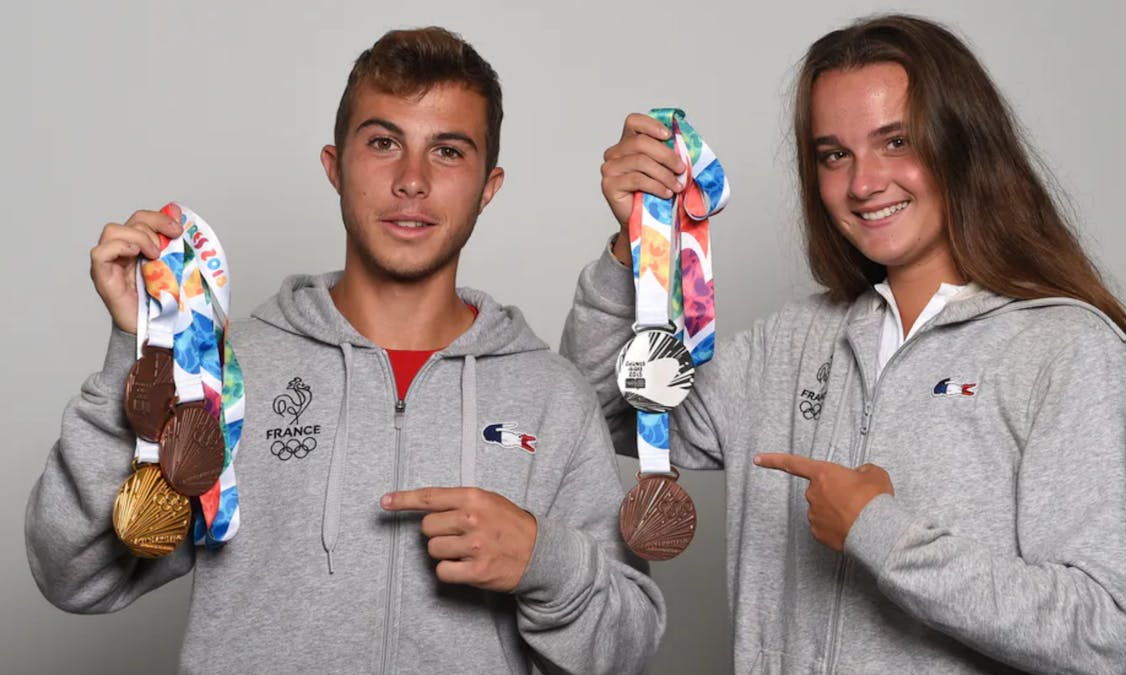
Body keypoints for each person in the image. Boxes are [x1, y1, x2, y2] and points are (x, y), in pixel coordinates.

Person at [26, 27, 664, 674]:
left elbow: (629, 645)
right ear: (334, 166)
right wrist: (146, 354)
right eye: (384, 143)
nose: (411, 180)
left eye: (447, 151)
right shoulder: (226, 365)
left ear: (487, 186)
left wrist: (541, 560)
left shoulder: (552, 396)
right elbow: (73, 571)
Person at [562, 14, 1126, 674]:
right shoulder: (789, 345)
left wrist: (881, 531)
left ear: (962, 144)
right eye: (833, 154)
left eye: (895, 141)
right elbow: (589, 415)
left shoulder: (1067, 350)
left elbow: (1105, 635)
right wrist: (632, 247)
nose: (863, 183)